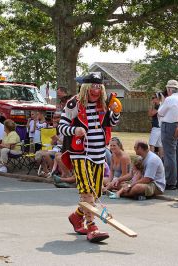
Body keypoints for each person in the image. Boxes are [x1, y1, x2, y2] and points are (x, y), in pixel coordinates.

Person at [58, 72, 120, 243]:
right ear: (85, 88)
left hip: (99, 154)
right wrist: (74, 130)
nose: (96, 90)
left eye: (98, 86)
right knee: (87, 192)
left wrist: (115, 112)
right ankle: (92, 227)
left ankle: (76, 216)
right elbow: (61, 127)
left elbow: (111, 124)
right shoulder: (74, 104)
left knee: (97, 192)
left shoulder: (104, 103)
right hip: (80, 155)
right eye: (92, 86)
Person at [158, 79, 178, 190]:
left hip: (169, 126)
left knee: (169, 154)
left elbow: (160, 112)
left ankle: (170, 181)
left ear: (169, 89)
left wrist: (162, 101)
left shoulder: (169, 99)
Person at [148, 92, 163, 158]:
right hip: (160, 127)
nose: (152, 99)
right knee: (160, 145)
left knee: (152, 144)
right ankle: (161, 160)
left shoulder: (157, 106)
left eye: (153, 98)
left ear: (158, 98)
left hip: (156, 127)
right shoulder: (162, 105)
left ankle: (151, 159)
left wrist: (151, 105)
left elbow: (150, 114)